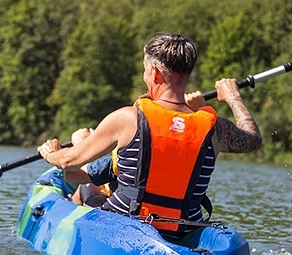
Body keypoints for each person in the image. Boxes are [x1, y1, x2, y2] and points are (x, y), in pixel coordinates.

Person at [38, 33, 261, 235]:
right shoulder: (215, 128)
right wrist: (233, 97)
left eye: (145, 70)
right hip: (184, 228)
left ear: (154, 73)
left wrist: (50, 153)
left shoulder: (128, 118)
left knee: (87, 186)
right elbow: (253, 138)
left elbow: (68, 161)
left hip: (125, 223)